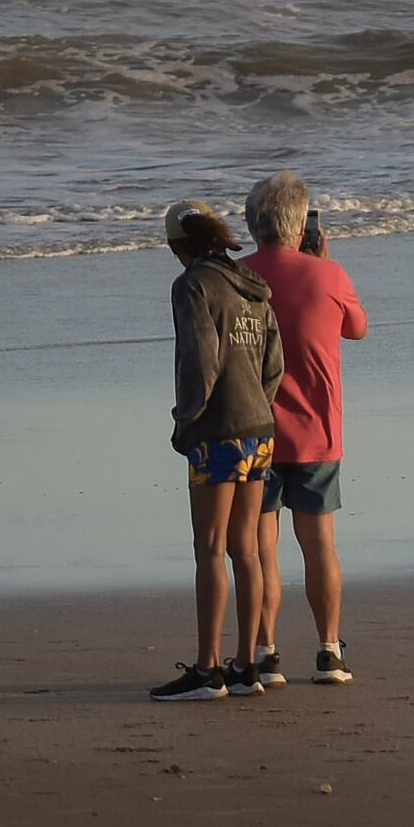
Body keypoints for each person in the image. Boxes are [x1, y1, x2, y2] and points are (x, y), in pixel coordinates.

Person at [150, 199, 285, 702]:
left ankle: (208, 669)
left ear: (177, 245)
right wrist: (257, 406)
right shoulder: (253, 287)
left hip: (216, 429)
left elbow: (200, 361)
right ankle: (247, 666)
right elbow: (274, 364)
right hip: (259, 428)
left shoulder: (192, 285)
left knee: (209, 547)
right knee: (245, 548)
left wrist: (187, 419)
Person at [240, 172, 369, 686]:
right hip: (316, 431)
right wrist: (323, 264)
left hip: (254, 429)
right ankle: (329, 650)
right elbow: (357, 328)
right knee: (319, 545)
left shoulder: (239, 277)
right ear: (301, 227)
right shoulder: (328, 276)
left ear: (254, 225)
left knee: (261, 548)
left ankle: (266, 651)